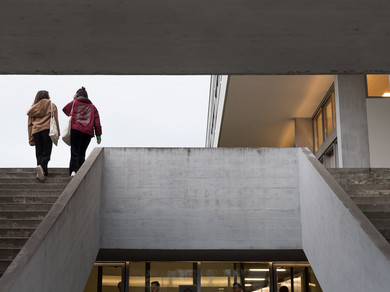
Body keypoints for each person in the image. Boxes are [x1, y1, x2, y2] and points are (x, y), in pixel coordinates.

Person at [63, 87, 102, 177]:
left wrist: (74, 99)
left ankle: (73, 171)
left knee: (75, 151)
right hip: (87, 132)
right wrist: (98, 136)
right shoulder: (93, 107)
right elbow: (97, 122)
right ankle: (81, 172)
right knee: (82, 152)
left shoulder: (75, 103)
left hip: (76, 130)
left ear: (77, 95)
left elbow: (65, 110)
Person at [27, 90, 60, 181]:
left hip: (36, 131)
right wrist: (58, 134)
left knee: (39, 151)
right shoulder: (52, 106)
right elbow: (55, 120)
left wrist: (30, 138)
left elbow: (29, 124)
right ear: (47, 96)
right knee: (46, 151)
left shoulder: (33, 108)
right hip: (47, 130)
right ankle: (42, 167)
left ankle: (42, 171)